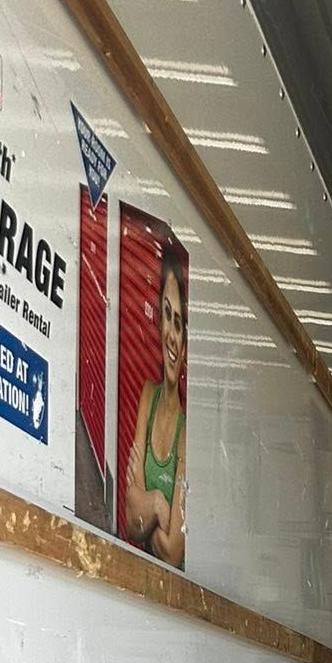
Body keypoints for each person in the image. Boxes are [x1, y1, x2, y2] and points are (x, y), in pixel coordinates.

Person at [123, 242, 187, 568]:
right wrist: (160, 505)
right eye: (166, 315)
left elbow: (174, 553)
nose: (171, 335)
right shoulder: (148, 395)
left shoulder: (186, 429)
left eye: (179, 323)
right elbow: (127, 514)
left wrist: (144, 502)